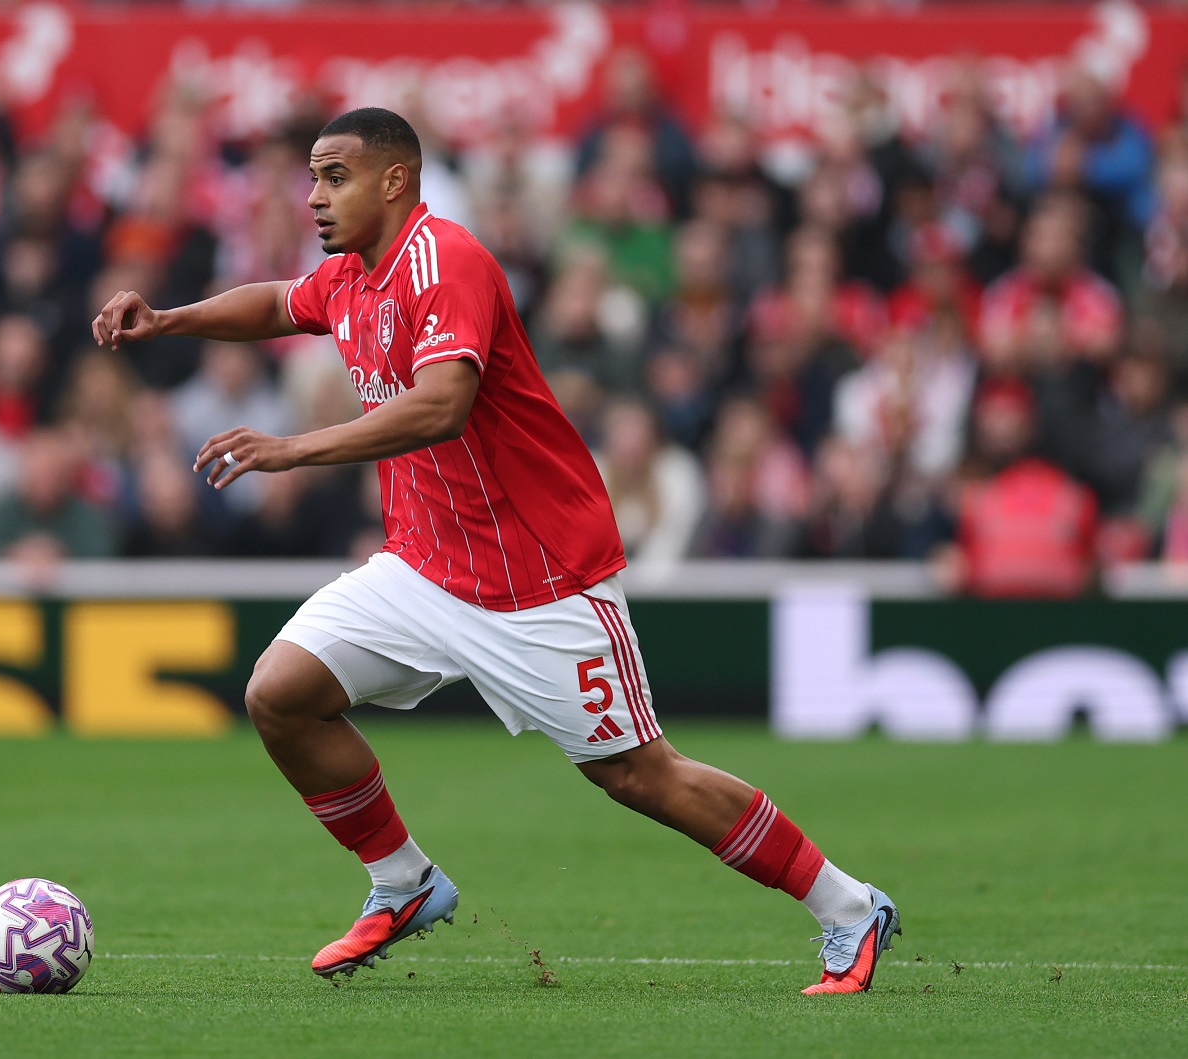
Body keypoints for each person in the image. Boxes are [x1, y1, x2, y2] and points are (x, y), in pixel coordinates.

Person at [91, 108, 899, 994]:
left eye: (335, 177)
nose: (314, 197)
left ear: (395, 180)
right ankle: (404, 882)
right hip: (425, 565)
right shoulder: (352, 277)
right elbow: (281, 302)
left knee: (638, 774)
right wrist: (166, 319)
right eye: (314, 178)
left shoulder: (448, 261)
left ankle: (848, 906)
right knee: (280, 694)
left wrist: (294, 447)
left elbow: (442, 404)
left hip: (540, 577)